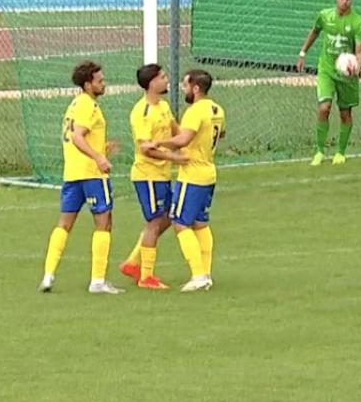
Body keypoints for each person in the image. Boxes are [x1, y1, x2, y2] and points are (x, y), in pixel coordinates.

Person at [39, 60, 123, 294]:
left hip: (73, 173)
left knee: (64, 223)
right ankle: (97, 281)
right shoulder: (88, 105)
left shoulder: (74, 104)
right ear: (88, 85)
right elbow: (77, 137)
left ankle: (48, 276)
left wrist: (101, 148)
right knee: (104, 222)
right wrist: (99, 157)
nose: (103, 84)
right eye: (99, 81)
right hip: (92, 174)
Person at [149, 70, 225, 293]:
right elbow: (221, 134)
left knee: (180, 223)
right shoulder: (217, 109)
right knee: (200, 223)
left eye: (185, 85)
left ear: (196, 88)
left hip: (192, 175)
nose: (183, 89)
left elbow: (182, 140)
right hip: (209, 172)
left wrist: (157, 143)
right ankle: (206, 274)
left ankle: (198, 275)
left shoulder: (195, 111)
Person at [118, 64, 187, 290]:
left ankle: (133, 262)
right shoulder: (142, 112)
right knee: (155, 222)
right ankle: (146, 276)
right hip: (147, 175)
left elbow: (177, 132)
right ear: (151, 83)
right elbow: (145, 149)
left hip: (162, 174)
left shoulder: (164, 106)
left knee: (169, 216)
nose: (167, 80)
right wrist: (173, 157)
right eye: (162, 77)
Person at [295, 0, 361, 166]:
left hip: (346, 75)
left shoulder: (357, 23)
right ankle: (319, 151)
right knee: (324, 108)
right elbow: (315, 31)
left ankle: (340, 152)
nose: (345, 2)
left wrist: (356, 68)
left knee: (345, 113)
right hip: (326, 69)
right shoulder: (325, 16)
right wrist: (302, 53)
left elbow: (359, 51)